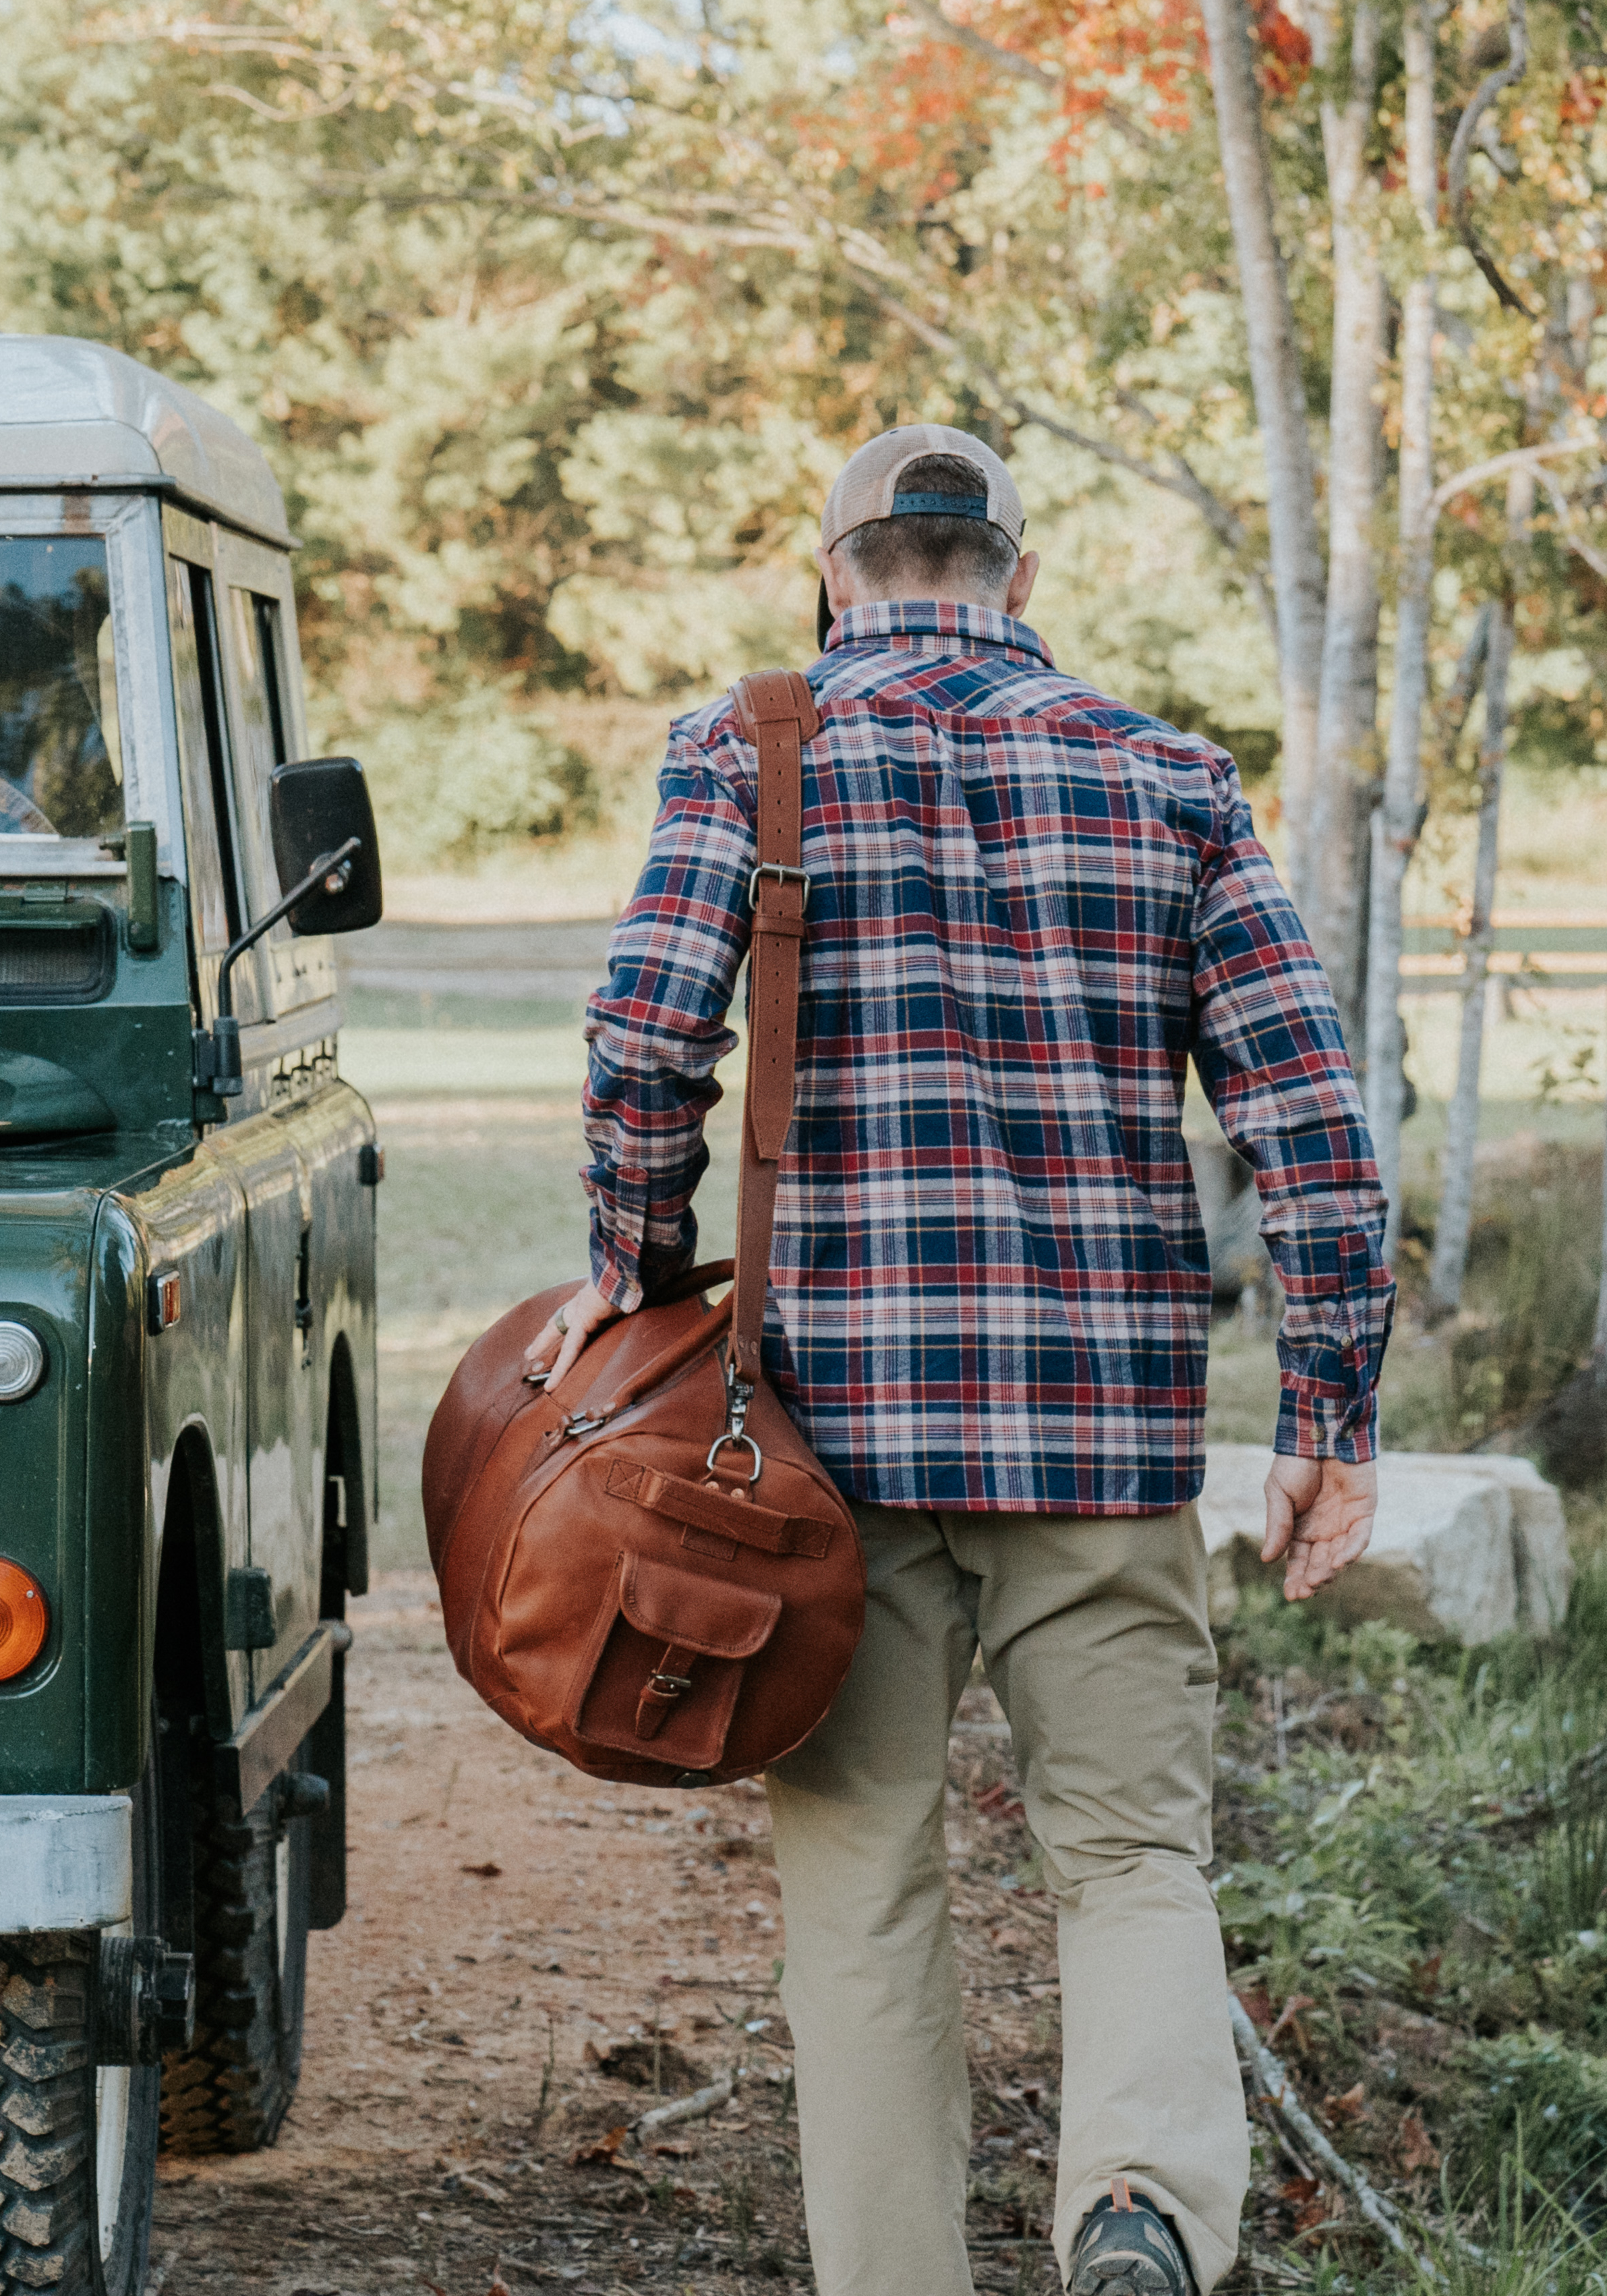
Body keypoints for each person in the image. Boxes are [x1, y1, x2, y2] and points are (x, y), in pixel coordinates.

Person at [523, 424, 1393, 2296]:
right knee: (1135, 1859)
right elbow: (1310, 1119)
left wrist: (636, 1275)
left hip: (830, 1450)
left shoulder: (745, 755)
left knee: (862, 1895)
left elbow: (642, 1050)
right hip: (1108, 1437)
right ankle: (1139, 2211)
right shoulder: (1166, 778)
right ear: (1021, 577)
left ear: (830, 571)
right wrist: (1329, 1415)